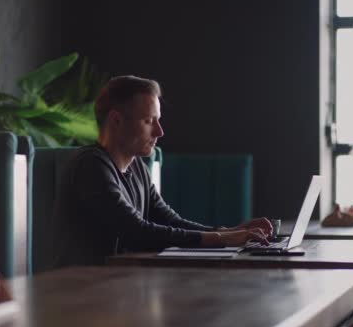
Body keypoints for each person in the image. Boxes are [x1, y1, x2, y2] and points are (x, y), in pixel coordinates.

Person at [55, 75, 272, 265]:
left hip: (119, 288)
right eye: (149, 121)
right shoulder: (90, 165)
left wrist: (230, 232)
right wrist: (222, 239)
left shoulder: (137, 166)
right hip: (83, 297)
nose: (160, 131)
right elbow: (136, 232)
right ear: (116, 120)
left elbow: (169, 221)